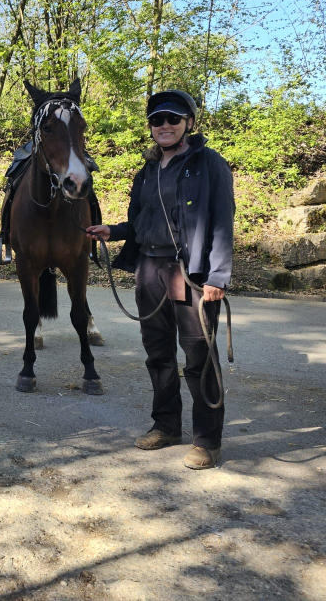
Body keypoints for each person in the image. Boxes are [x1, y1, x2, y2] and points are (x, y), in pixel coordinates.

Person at [86, 90, 234, 470]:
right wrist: (115, 231)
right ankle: (167, 426)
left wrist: (218, 276)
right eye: (157, 120)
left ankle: (207, 441)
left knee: (199, 358)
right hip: (149, 270)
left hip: (191, 274)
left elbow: (222, 220)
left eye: (172, 119)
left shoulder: (209, 164)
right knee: (158, 354)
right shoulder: (148, 170)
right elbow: (141, 219)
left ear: (189, 123)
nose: (164, 125)